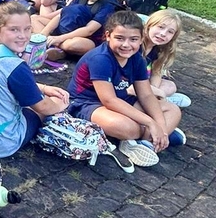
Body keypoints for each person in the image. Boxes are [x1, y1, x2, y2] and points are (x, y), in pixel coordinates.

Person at [67, 11, 184, 167]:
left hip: (121, 99)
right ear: (108, 36)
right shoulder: (100, 59)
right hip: (87, 104)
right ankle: (151, 137)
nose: (126, 45)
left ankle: (148, 142)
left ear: (141, 39)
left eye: (133, 39)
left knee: (173, 110)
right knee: (125, 127)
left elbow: (146, 95)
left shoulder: (137, 59)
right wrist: (151, 122)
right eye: (120, 38)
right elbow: (109, 100)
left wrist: (161, 127)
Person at [0, 1, 70, 158]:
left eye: (27, 29)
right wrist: (59, 105)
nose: (23, 36)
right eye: (14, 29)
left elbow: (5, 80)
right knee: (44, 108)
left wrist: (43, 88)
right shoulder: (15, 66)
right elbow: (43, 107)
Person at [39, 0, 119, 60]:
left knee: (74, 44)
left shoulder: (107, 6)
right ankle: (51, 44)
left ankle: (57, 47)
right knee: (35, 19)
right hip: (68, 30)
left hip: (88, 39)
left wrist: (60, 38)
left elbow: (89, 30)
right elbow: (60, 16)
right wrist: (43, 34)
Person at [138, 10, 191, 108]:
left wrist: (153, 89)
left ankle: (158, 100)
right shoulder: (136, 45)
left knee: (170, 86)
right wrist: (153, 92)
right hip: (130, 85)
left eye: (170, 32)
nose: (163, 34)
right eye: (160, 27)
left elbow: (156, 73)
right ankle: (162, 101)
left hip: (145, 85)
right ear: (149, 26)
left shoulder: (159, 50)